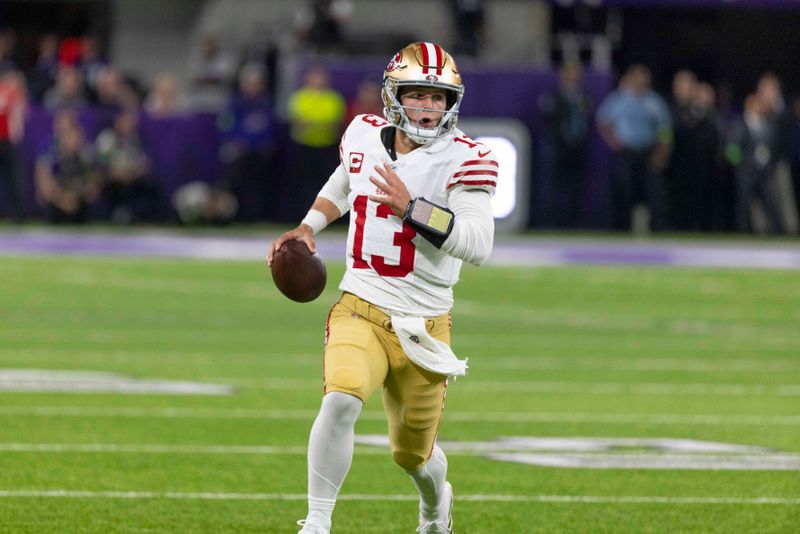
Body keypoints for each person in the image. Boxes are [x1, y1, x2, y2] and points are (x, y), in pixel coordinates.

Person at [267, 42, 496, 534]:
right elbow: (345, 181)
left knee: (411, 453)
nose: (429, 108)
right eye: (418, 95)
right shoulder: (364, 134)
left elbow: (478, 244)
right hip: (362, 305)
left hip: (425, 326)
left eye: (439, 98)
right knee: (341, 398)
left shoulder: (466, 158)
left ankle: (437, 506)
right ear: (394, 97)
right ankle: (318, 522)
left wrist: (415, 209)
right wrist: (309, 225)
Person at [597, 64, 672, 232]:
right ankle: (621, 229)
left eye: (645, 81)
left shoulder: (654, 101)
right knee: (624, 191)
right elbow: (603, 121)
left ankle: (657, 230)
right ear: (631, 79)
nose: (642, 83)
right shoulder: (618, 99)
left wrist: (662, 152)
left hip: (648, 152)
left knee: (653, 194)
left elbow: (665, 129)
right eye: (638, 79)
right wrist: (614, 141)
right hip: (626, 152)